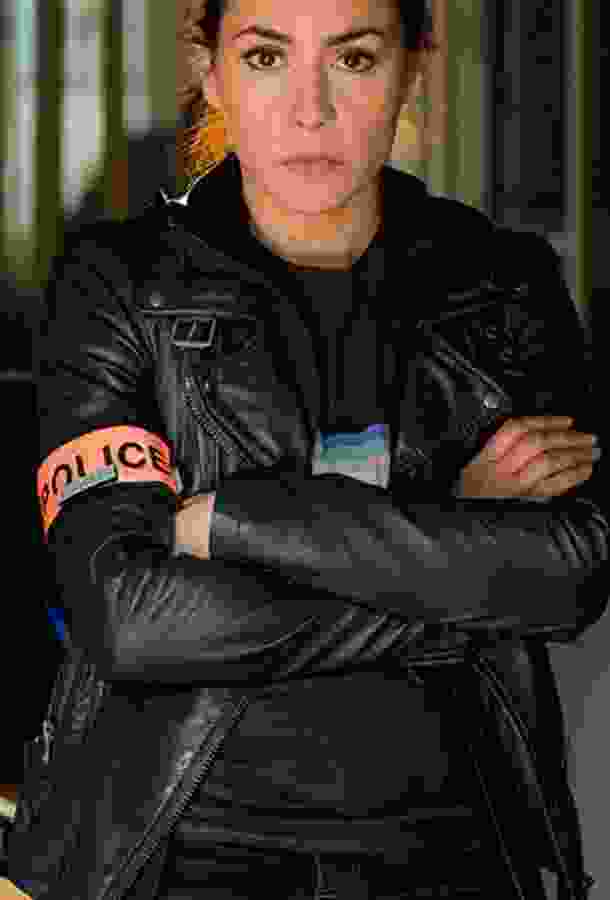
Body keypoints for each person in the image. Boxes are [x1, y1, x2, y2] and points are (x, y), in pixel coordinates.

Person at [4, 0, 607, 898]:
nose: (309, 109)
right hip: (176, 849)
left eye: (353, 59)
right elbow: (128, 617)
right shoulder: (118, 286)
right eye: (266, 58)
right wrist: (455, 539)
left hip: (458, 846)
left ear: (411, 70)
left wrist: (238, 524)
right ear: (211, 72)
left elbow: (568, 574)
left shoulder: (503, 285)